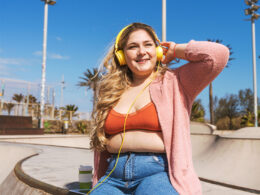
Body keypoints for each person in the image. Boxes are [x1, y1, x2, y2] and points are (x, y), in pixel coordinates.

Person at [89, 22, 229, 195]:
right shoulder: (111, 90)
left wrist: (175, 49)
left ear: (157, 50)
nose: (141, 52)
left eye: (148, 45)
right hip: (113, 175)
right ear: (122, 56)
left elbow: (218, 55)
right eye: (133, 46)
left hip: (157, 174)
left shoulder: (176, 82)